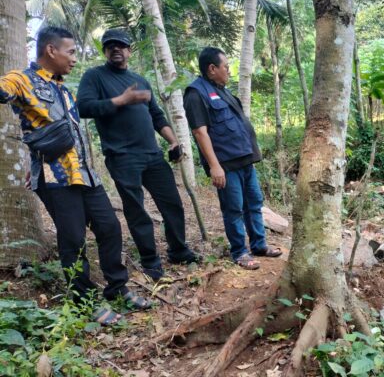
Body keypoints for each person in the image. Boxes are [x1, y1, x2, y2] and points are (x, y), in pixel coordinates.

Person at [0, 27, 150, 324]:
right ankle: (84, 302)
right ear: (51, 50)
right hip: (54, 177)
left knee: (110, 228)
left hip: (84, 174)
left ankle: (116, 290)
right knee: (73, 239)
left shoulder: (63, 89)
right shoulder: (21, 80)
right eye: (70, 52)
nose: (74, 59)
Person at [77, 29, 199, 281]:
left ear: (130, 50)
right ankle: (150, 260)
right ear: (105, 51)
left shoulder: (140, 80)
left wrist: (174, 140)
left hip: (152, 155)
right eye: (110, 46)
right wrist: (122, 99)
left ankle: (178, 250)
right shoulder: (95, 76)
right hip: (122, 157)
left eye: (121, 45)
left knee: (172, 204)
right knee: (136, 210)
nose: (116, 49)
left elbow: (156, 115)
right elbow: (84, 107)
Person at [183, 47, 281, 270]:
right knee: (234, 209)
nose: (229, 71)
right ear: (212, 69)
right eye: (226, 67)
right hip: (226, 165)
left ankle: (259, 245)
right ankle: (240, 252)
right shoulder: (196, 93)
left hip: (245, 161)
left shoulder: (222, 90)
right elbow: (200, 132)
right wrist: (215, 166)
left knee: (254, 204)